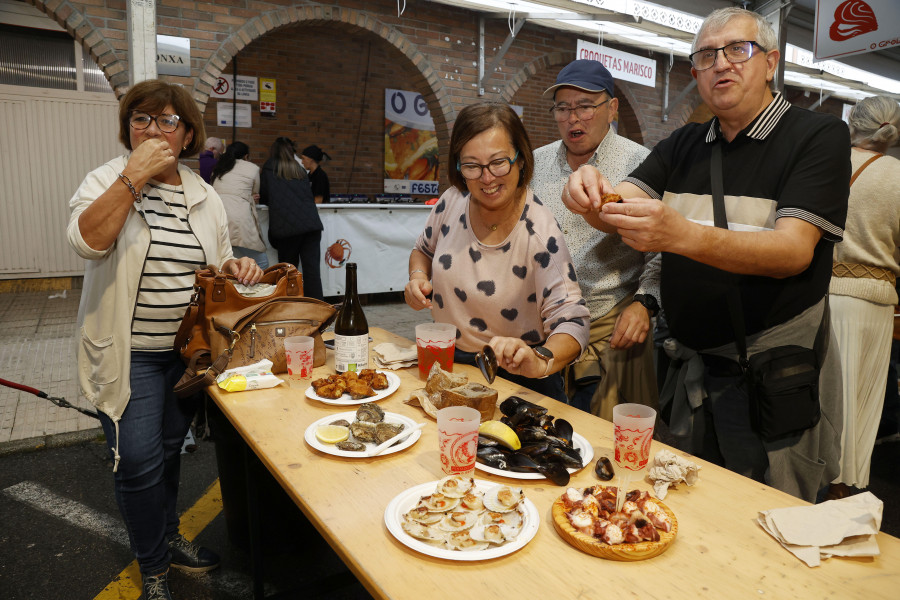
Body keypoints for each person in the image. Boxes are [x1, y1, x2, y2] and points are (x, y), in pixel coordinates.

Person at [563, 7, 849, 502]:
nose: (722, 64)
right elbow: (621, 207)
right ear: (694, 72)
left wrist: (680, 235)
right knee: (690, 501)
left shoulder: (817, 136)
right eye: (706, 55)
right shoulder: (686, 143)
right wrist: (588, 194)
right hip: (689, 366)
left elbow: (792, 251)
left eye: (738, 50)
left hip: (767, 372)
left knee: (770, 509)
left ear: (770, 62)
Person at [66, 80, 263, 600]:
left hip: (185, 353)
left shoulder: (204, 195)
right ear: (127, 128)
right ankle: (152, 565)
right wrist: (133, 177)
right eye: (141, 120)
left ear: (188, 133)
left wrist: (234, 268)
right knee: (136, 459)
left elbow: (215, 265)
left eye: (167, 121)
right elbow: (87, 241)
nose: (153, 129)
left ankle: (170, 534)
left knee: (170, 451)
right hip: (127, 354)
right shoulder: (107, 179)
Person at [404, 102, 590, 402]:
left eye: (498, 162)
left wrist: (539, 360)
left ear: (520, 160)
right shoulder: (452, 201)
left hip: (518, 380)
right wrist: (417, 277)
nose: (486, 178)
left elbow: (574, 321)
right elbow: (422, 250)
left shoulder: (539, 230)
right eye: (472, 165)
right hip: (449, 366)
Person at [532, 59, 658, 419]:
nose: (574, 118)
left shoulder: (642, 163)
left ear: (612, 108)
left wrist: (645, 303)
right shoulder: (536, 164)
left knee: (604, 440)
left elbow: (660, 248)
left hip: (609, 323)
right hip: (545, 326)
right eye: (563, 107)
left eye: (585, 106)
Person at [826, 95, 900, 499]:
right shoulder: (898, 176)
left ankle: (816, 483)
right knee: (861, 403)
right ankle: (846, 489)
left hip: (822, 294)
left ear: (852, 121)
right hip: (875, 303)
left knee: (824, 399)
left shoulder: (826, 163)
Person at [260, 137, 324, 299]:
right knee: (312, 274)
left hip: (287, 229)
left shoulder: (269, 168)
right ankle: (317, 311)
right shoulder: (299, 169)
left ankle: (290, 306)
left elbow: (265, 196)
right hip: (311, 225)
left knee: (288, 273)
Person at [211, 141, 269, 269]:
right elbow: (255, 192)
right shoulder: (253, 168)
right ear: (246, 156)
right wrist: (250, 197)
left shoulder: (219, 168)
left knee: (229, 262)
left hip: (218, 218)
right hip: (240, 220)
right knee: (262, 263)